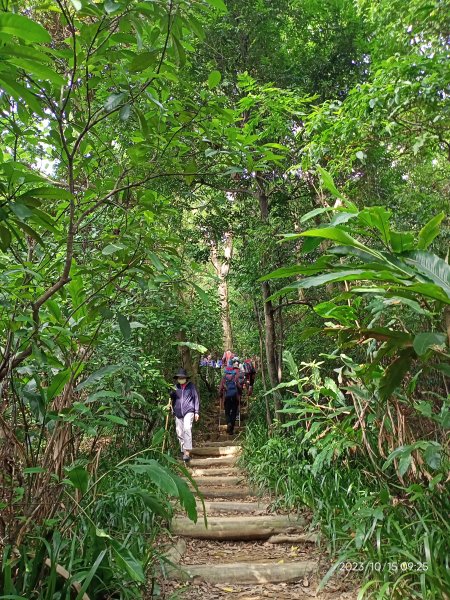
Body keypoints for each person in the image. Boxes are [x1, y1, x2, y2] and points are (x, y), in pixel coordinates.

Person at [170, 368, 200, 463]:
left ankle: (187, 452)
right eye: (179, 377)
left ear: (186, 378)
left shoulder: (191, 386)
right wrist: (170, 396)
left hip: (189, 410)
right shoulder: (176, 387)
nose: (180, 379)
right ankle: (183, 451)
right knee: (179, 432)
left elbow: (196, 398)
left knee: (187, 428)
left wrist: (197, 412)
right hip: (178, 412)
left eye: (182, 377)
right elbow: (172, 399)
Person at [219, 360, 242, 434]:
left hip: (227, 397)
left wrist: (220, 394)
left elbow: (220, 388)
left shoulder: (224, 378)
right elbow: (239, 386)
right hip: (235, 397)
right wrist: (240, 392)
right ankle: (231, 429)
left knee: (227, 412)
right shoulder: (235, 378)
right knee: (234, 412)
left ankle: (228, 422)